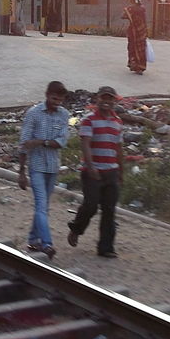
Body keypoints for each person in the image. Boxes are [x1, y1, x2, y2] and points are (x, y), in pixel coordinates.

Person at [67, 86, 124, 258]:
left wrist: (121, 171)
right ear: (97, 99)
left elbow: (119, 148)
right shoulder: (89, 120)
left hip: (111, 171)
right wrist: (90, 167)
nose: (106, 102)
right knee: (90, 205)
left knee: (109, 210)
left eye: (110, 99)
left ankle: (106, 248)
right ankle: (76, 228)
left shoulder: (117, 122)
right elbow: (85, 143)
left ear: (115, 101)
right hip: (92, 172)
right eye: (103, 98)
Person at [17, 81, 72, 259]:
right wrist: (21, 172)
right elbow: (24, 144)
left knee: (44, 206)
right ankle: (47, 244)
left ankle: (33, 240)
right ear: (47, 94)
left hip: (53, 167)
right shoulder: (33, 114)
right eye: (54, 98)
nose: (57, 102)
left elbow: (61, 142)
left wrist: (40, 142)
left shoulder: (64, 115)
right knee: (41, 205)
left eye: (60, 100)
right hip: (37, 166)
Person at [121, 0, 148, 74]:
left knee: (132, 48)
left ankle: (134, 65)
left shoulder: (130, 9)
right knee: (141, 49)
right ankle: (141, 67)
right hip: (142, 31)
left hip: (133, 31)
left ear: (131, 0)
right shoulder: (142, 8)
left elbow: (123, 16)